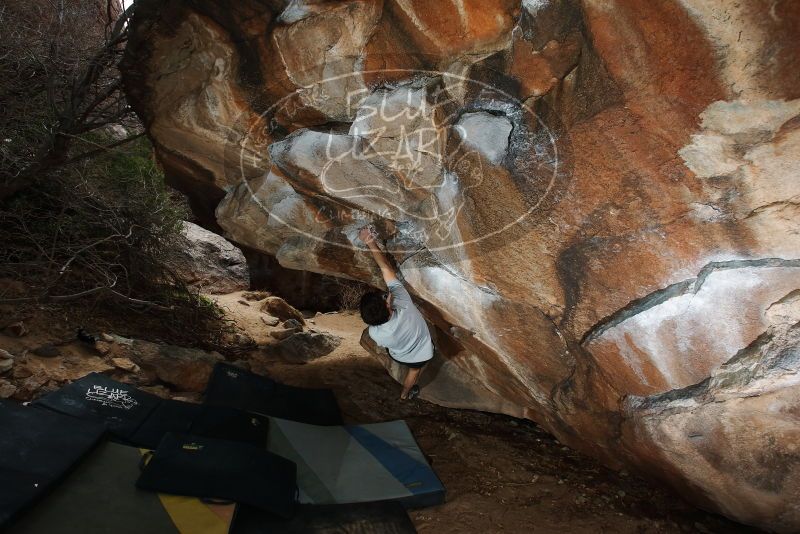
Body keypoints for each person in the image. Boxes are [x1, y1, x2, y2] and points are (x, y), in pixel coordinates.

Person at [358, 226, 433, 400]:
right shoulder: (403, 302)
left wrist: (388, 301)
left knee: (411, 370)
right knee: (414, 371)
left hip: (399, 355)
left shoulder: (373, 332)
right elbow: (385, 269)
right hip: (420, 354)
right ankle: (405, 393)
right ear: (388, 306)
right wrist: (369, 241)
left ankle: (405, 394)